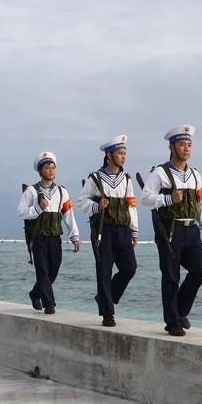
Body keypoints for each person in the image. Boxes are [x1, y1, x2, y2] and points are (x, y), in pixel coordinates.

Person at [140, 125, 202, 336]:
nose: (186, 148)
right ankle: (172, 322)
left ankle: (179, 311)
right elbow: (145, 198)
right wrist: (168, 199)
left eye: (189, 144)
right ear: (171, 147)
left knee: (200, 270)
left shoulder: (195, 175)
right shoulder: (159, 173)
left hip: (191, 229)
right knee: (171, 277)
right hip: (169, 230)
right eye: (182, 144)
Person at [77, 135, 138, 327]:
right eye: (120, 153)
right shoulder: (95, 178)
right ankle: (108, 314)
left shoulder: (127, 179)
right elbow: (82, 201)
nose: (123, 157)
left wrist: (134, 231)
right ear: (109, 155)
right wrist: (97, 206)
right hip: (103, 231)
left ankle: (105, 297)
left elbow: (131, 206)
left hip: (123, 230)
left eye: (124, 153)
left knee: (130, 268)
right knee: (104, 271)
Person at [16, 151, 80, 315]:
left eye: (53, 167)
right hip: (38, 238)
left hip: (55, 237)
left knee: (53, 271)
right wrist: (38, 208)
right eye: (47, 167)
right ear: (40, 171)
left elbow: (68, 214)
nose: (51, 170)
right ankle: (49, 304)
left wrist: (74, 236)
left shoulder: (61, 191)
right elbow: (21, 212)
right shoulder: (31, 191)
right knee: (43, 271)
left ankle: (35, 293)